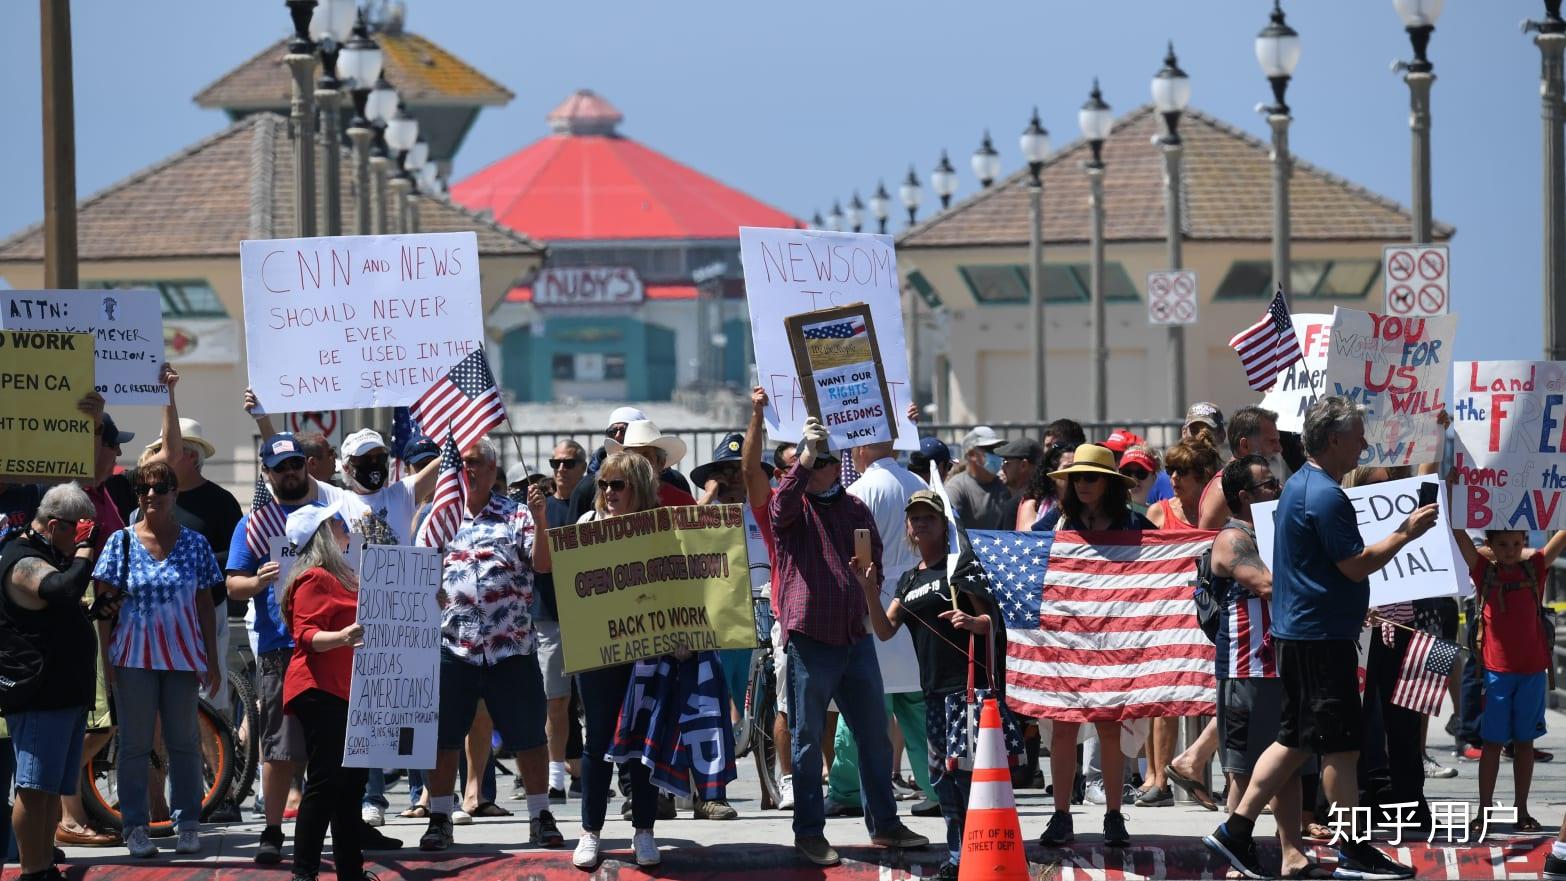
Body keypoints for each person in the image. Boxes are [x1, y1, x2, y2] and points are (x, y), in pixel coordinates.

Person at [1204, 396, 1436, 881]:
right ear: (1334, 439)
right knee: (1341, 747)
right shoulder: (1325, 495)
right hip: (1320, 638)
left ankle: (1235, 831)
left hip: (1301, 634)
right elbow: (1353, 565)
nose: (1364, 446)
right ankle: (1352, 850)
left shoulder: (1299, 487)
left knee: (1294, 739)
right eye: (1357, 437)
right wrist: (1405, 533)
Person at [770, 417, 929, 866]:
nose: (816, 466)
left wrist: (869, 577)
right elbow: (779, 507)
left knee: (874, 737)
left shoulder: (855, 507)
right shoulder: (796, 507)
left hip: (853, 637)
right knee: (805, 740)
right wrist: (802, 458)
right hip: (812, 639)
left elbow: (874, 557)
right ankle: (809, 831)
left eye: (822, 460)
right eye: (810, 461)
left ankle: (885, 824)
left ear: (836, 465)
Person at [226, 433, 375, 865]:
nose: (290, 472)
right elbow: (232, 582)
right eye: (280, 467)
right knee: (280, 746)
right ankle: (272, 830)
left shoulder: (339, 509)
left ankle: (346, 832)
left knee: (338, 760)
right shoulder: (255, 524)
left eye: (295, 463)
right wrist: (257, 582)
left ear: (306, 466)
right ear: (267, 474)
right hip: (282, 646)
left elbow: (370, 566)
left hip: (340, 651)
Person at [417, 437, 560, 853]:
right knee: (443, 740)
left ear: (495, 470)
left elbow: (544, 564)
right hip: (454, 647)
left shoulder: (517, 515)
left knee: (530, 737)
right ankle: (440, 817)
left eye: (477, 462)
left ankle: (540, 815)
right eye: (463, 463)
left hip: (510, 648)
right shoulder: (439, 518)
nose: (469, 469)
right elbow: (418, 567)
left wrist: (541, 517)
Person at [858, 489, 1002, 881]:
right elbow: (885, 631)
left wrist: (975, 623)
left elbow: (992, 621)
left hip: (968, 690)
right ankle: (958, 851)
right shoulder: (907, 580)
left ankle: (977, 850)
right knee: (942, 777)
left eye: (928, 518)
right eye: (914, 518)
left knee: (970, 774)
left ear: (943, 524)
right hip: (934, 691)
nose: (920, 524)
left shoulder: (960, 566)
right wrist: (869, 589)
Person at [91, 459, 222, 859]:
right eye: (143, 489)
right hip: (133, 659)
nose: (151, 495)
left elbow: (204, 603)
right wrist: (108, 658)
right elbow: (103, 605)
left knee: (183, 743)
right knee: (133, 744)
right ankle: (135, 826)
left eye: (160, 488)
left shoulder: (196, 544)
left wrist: (212, 660)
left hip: (183, 659)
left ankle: (188, 823)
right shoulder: (121, 543)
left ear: (174, 494)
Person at [1203, 456, 1318, 875]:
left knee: (1286, 763)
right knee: (1243, 767)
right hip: (1248, 666)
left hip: (1284, 663)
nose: (1279, 490)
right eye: (1269, 485)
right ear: (1243, 497)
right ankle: (1236, 857)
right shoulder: (1233, 538)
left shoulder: (1278, 534)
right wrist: (1330, 586)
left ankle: (1291, 854)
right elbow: (1267, 584)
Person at [560, 452, 675, 869]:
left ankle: (643, 831)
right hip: (599, 655)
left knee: (642, 743)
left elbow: (675, 585)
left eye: (617, 485)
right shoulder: (585, 528)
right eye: (603, 485)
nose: (608, 492)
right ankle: (590, 832)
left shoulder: (660, 528)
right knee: (597, 743)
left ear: (639, 489)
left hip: (646, 650)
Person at [1034, 444, 1151, 848]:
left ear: (1108, 484)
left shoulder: (1134, 525)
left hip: (1114, 643)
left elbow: (1165, 563)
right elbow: (1026, 558)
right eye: (1077, 477)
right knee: (1062, 731)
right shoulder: (1053, 523)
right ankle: (1061, 815)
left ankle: (1114, 816)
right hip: (1065, 641)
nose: (1082, 484)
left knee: (1109, 729)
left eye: (1091, 477)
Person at [0, 483, 114, 881]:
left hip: (63, 692)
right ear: (54, 525)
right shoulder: (21, 557)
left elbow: (57, 612)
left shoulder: (48, 554)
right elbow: (59, 588)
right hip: (39, 693)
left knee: (49, 787)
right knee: (32, 788)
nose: (83, 541)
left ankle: (44, 862)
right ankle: (32, 870)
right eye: (79, 531)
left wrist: (96, 610)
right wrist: (86, 550)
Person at [825, 442, 941, 819]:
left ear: (860, 450)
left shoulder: (859, 492)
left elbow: (848, 556)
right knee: (919, 711)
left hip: (872, 611)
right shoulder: (918, 484)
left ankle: (844, 790)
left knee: (858, 712)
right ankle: (936, 787)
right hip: (918, 609)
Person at [273, 500, 376, 881]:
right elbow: (305, 635)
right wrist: (343, 636)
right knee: (327, 780)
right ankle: (305, 873)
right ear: (322, 535)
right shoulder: (315, 578)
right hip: (320, 688)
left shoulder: (345, 576)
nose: (343, 524)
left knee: (350, 785)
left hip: (346, 690)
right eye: (335, 521)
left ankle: (351, 872)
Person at [1451, 519, 1566, 837]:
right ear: (1489, 545)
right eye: (1502, 545)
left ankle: (1522, 809)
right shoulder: (1484, 571)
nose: (1511, 551)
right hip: (1497, 674)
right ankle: (1484, 811)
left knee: (1525, 744)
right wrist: (1449, 490)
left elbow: (1561, 535)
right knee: (1492, 744)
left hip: (1531, 672)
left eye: (1516, 544)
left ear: (1525, 541)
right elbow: (1458, 533)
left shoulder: (1536, 567)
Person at [1135, 438, 1222, 810]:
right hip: (1169, 614)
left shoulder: (1218, 517)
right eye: (1171, 470)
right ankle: (1157, 780)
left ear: (1204, 477)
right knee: (1163, 696)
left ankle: (1205, 777)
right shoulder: (1158, 513)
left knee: (1216, 695)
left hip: (1208, 615)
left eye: (1182, 471)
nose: (1173, 477)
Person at [535, 439, 588, 800]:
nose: (560, 469)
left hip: (590, 615)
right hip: (551, 614)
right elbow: (539, 563)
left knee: (594, 699)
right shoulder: (543, 510)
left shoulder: (594, 506)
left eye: (568, 463)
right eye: (555, 462)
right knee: (556, 698)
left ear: (583, 467)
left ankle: (588, 768)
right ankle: (555, 774)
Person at [339, 428, 440, 545]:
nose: (374, 462)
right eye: (365, 459)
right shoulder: (338, 500)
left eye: (380, 457)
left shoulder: (401, 494)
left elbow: (441, 466)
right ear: (346, 467)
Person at [1196, 406, 1281, 529]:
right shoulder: (1222, 491)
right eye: (1271, 441)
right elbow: (1205, 544)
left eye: (1278, 441)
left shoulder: (1254, 480)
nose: (1279, 448)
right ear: (1245, 445)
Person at [566, 407, 649, 521]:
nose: (618, 436)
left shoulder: (672, 481)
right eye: (613, 432)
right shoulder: (586, 489)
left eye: (624, 431)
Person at [607, 421, 697, 508]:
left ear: (661, 462)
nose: (639, 462)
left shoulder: (682, 501)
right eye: (633, 456)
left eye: (646, 456)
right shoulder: (614, 498)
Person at [943, 427, 1009, 531]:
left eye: (998, 449)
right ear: (972, 454)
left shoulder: (1005, 486)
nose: (997, 454)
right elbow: (949, 527)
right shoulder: (956, 488)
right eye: (991, 449)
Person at [1016, 443, 1071, 530]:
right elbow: (1029, 538)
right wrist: (1061, 509)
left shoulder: (1087, 505)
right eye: (1068, 467)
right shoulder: (1033, 505)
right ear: (1052, 474)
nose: (1074, 474)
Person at [994, 438, 1042, 535]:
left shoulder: (1015, 505)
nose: (1002, 467)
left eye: (1006, 462)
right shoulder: (1047, 498)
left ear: (1023, 465)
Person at [1118, 445, 1160, 515]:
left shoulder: (1160, 516)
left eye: (1141, 473)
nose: (1133, 479)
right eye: (1126, 472)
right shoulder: (1111, 512)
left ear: (1154, 478)